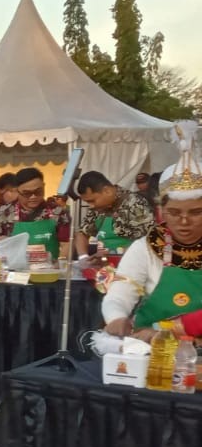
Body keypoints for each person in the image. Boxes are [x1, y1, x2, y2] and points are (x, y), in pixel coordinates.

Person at [104, 123, 202, 338]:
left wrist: (166, 330)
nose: (184, 221)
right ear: (161, 212)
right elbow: (120, 292)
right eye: (174, 212)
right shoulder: (147, 247)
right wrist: (116, 316)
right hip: (152, 351)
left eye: (195, 212)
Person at [0, 167, 70, 260]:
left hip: (48, 270)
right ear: (17, 191)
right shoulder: (4, 213)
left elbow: (67, 243)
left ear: (44, 186)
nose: (33, 197)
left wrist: (58, 264)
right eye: (27, 193)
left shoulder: (57, 212)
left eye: (38, 192)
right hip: (14, 270)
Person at [73, 170, 157, 257]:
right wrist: (83, 257)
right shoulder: (98, 208)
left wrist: (112, 253)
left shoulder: (135, 204)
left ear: (107, 191)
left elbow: (148, 242)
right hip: (105, 266)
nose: (91, 206)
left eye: (92, 201)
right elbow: (82, 233)